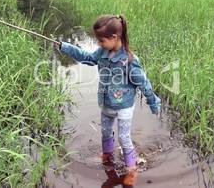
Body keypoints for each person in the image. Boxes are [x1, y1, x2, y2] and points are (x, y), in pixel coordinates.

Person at [58, 14, 161, 187]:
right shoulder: (102, 52)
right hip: (106, 103)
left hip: (124, 107)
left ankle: (131, 170)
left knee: (123, 137)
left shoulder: (129, 61)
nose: (99, 44)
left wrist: (153, 102)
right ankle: (107, 156)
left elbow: (143, 83)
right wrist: (66, 47)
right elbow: (87, 57)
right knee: (105, 132)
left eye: (101, 40)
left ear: (115, 37)